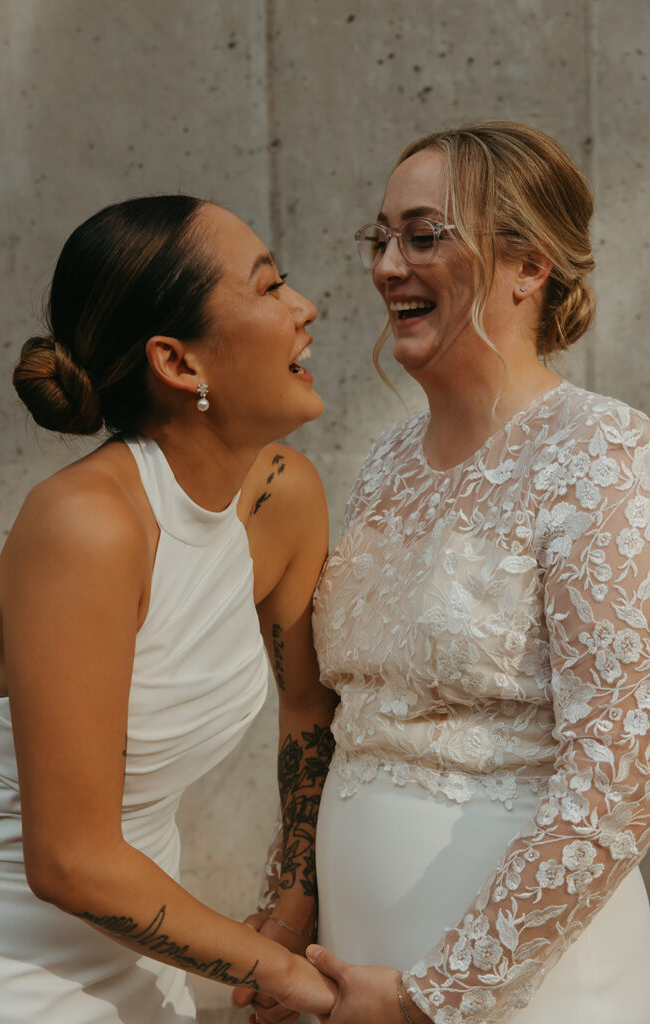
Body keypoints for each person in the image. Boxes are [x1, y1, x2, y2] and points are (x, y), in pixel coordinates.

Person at [270, 122, 650, 1024]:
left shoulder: (604, 453)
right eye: (382, 236)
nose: (388, 265)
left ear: (530, 266)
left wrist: (434, 998)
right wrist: (291, 917)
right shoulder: (387, 459)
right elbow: (330, 716)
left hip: (525, 983)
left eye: (424, 234)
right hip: (354, 957)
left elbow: (615, 776)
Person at [0, 194, 338, 1022]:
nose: (304, 308)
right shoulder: (87, 525)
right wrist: (290, 978)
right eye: (270, 287)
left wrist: (291, 900)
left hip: (140, 962)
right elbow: (68, 861)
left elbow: (307, 707)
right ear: (178, 362)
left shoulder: (283, 497)